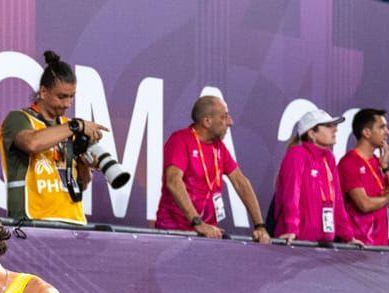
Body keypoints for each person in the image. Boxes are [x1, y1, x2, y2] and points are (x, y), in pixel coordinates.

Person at [0, 51, 109, 224]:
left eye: (71, 96)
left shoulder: (68, 127)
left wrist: (83, 164)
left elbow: (81, 185)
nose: (67, 103)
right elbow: (32, 143)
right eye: (62, 96)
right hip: (34, 221)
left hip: (74, 223)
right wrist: (75, 126)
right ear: (43, 92)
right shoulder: (19, 119)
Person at [153, 95, 271, 241]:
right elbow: (173, 182)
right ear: (207, 121)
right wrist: (197, 222)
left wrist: (260, 226)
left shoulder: (218, 147)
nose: (230, 122)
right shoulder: (180, 140)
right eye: (224, 117)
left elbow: (241, 183)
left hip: (207, 234)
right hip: (175, 233)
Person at [272, 109, 361, 245]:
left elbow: (337, 200)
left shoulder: (329, 158)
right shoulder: (297, 154)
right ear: (312, 133)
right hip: (297, 243)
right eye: (328, 126)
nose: (335, 130)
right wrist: (291, 229)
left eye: (334, 125)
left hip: (324, 243)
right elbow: (291, 195)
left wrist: (348, 237)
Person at [338, 109, 389, 246]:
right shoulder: (349, 162)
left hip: (380, 248)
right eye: (382, 127)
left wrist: (386, 167)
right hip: (357, 248)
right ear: (366, 132)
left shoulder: (378, 163)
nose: (387, 132)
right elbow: (364, 204)